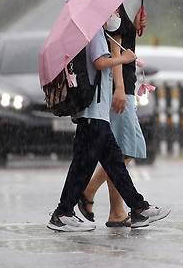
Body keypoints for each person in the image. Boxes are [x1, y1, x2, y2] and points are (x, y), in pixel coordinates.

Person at [47, 13, 169, 232]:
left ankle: (138, 208)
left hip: (99, 114)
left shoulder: (100, 33)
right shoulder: (94, 33)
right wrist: (123, 58)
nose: (114, 16)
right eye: (111, 13)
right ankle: (63, 213)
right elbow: (99, 62)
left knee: (115, 165)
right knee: (82, 167)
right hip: (93, 113)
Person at [79, 0, 148, 227]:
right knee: (124, 150)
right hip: (120, 88)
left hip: (124, 85)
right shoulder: (110, 5)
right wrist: (119, 89)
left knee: (120, 149)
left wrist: (137, 26)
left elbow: (121, 41)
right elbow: (112, 51)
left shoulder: (117, 4)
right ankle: (88, 191)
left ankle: (116, 211)